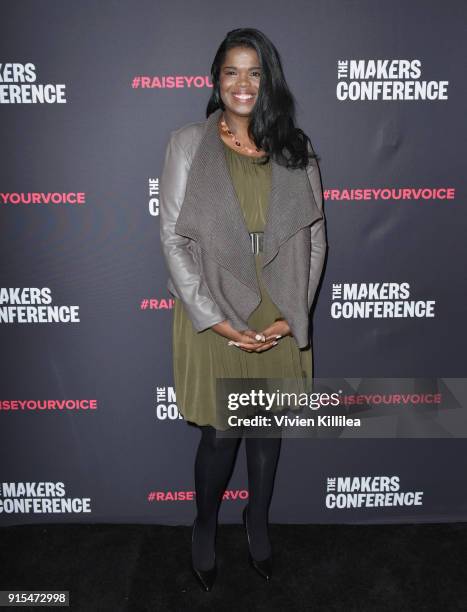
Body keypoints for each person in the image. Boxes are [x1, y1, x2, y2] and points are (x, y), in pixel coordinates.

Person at [159, 28, 327, 592]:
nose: (243, 84)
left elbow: (316, 239)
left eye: (255, 72)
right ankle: (204, 524)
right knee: (222, 435)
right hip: (214, 306)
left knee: (265, 430)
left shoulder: (295, 148)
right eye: (232, 71)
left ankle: (256, 520)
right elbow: (174, 241)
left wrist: (292, 314)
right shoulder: (187, 143)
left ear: (269, 80)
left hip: (279, 304)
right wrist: (218, 319)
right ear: (216, 79)